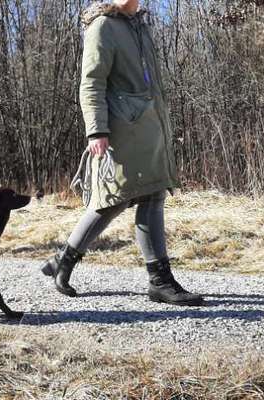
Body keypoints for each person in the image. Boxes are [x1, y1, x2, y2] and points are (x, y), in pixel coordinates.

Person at [41, 0, 204, 306]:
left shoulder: (140, 26)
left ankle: (64, 260)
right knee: (128, 196)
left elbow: (150, 84)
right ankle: (160, 280)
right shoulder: (103, 26)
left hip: (148, 125)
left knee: (131, 197)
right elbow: (91, 82)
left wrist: (163, 122)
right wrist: (97, 130)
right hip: (122, 128)